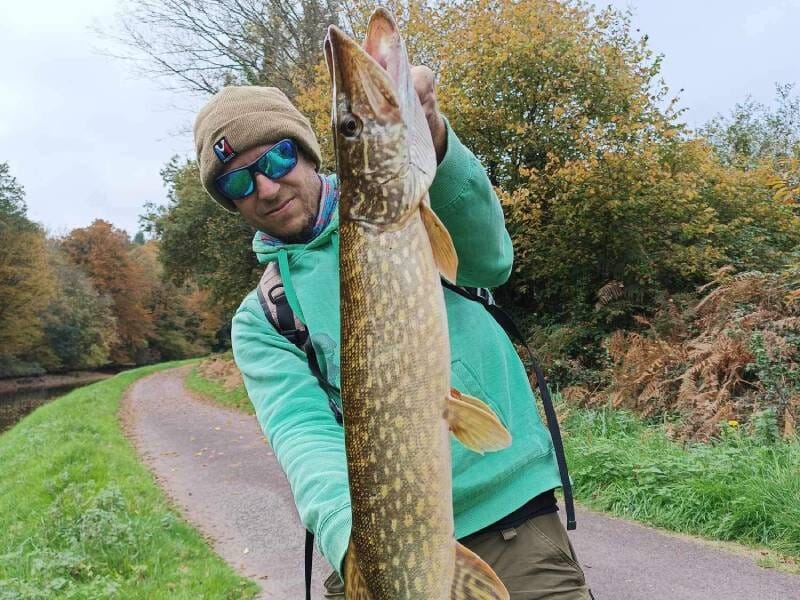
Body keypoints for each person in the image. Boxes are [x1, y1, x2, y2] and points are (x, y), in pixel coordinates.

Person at [193, 67, 593, 599]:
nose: (266, 187)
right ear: (231, 202)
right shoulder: (263, 317)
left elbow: (489, 262)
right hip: (374, 550)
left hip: (509, 520)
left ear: (309, 152)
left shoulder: (408, 211)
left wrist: (434, 135)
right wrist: (359, 546)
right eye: (238, 182)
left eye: (276, 159)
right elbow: (304, 437)